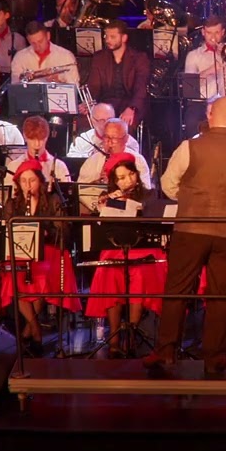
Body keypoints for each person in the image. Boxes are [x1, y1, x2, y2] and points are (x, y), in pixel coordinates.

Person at [145, 97, 226, 377]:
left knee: (177, 291)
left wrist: (193, 200)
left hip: (190, 230)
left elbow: (168, 185)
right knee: (220, 295)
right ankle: (214, 358)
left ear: (209, 115)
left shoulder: (189, 147)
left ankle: (167, 351)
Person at [84, 152, 170, 356]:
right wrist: (105, 208)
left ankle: (132, 334)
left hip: (143, 249)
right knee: (109, 275)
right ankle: (114, 337)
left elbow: (157, 223)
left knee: (140, 276)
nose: (128, 180)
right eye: (121, 178)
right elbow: (101, 230)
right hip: (116, 248)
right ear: (114, 181)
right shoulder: (107, 197)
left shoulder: (149, 194)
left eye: (131, 175)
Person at [0, 158, 79, 352]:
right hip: (20, 251)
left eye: (32, 181)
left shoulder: (52, 200)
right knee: (14, 277)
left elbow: (63, 231)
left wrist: (46, 232)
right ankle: (34, 328)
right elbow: (5, 230)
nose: (27, 186)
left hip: (47, 250)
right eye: (23, 181)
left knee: (43, 277)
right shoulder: (12, 203)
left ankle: (29, 331)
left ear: (40, 182)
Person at [182, 17, 226, 132]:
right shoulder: (193, 55)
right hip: (201, 105)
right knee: (192, 121)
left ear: (223, 32)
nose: (213, 37)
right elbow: (189, 86)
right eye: (209, 33)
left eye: (217, 32)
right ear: (203, 32)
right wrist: (209, 71)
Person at [84, 22, 150, 129]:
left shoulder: (139, 58)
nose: (107, 40)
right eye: (106, 36)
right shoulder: (99, 57)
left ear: (124, 38)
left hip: (129, 102)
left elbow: (141, 88)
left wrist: (132, 108)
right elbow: (93, 85)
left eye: (112, 37)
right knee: (85, 121)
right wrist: (88, 103)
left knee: (126, 124)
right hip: (105, 102)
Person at [10, 20, 79, 85]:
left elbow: (75, 88)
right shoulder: (20, 57)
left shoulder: (66, 56)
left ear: (48, 36)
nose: (37, 47)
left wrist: (58, 82)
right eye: (33, 43)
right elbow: (15, 87)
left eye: (40, 41)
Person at [67, 102, 140, 158]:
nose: (106, 124)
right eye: (102, 120)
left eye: (110, 120)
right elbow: (72, 162)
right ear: (93, 121)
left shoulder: (128, 141)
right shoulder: (82, 140)